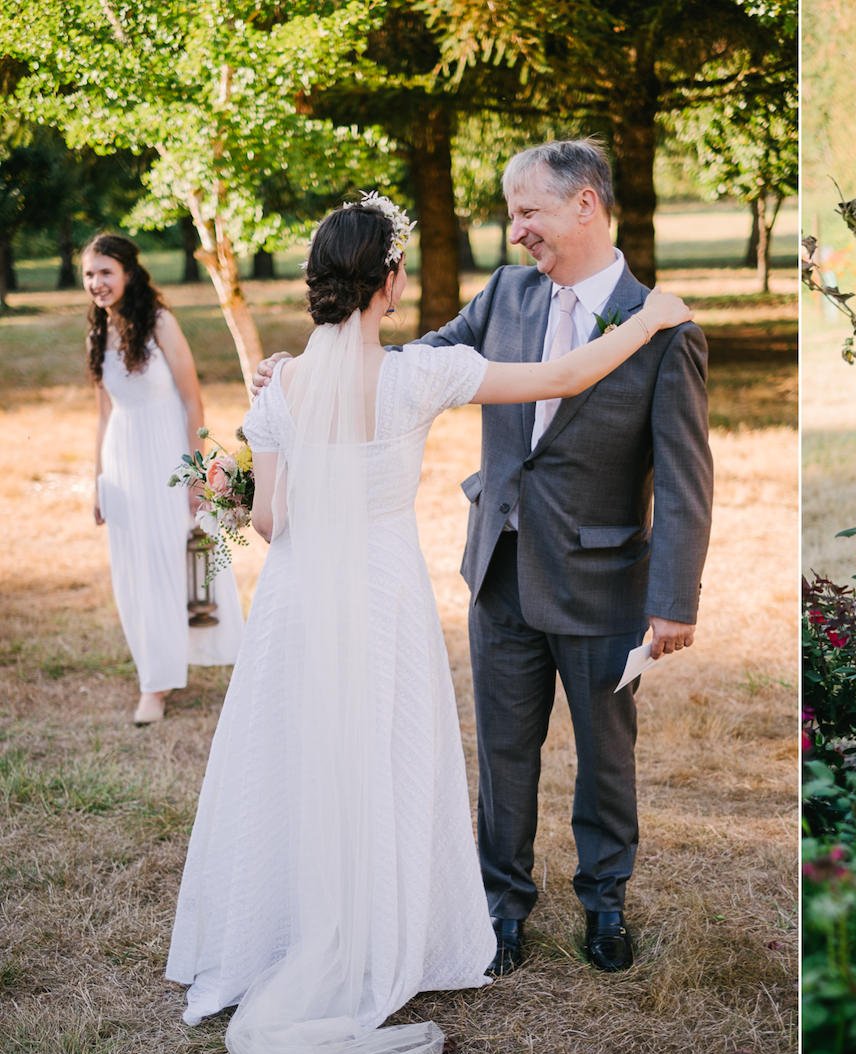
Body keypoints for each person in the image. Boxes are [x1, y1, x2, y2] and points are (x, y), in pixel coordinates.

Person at [166, 193, 693, 1054]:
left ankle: (284, 931)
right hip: (379, 595)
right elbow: (564, 378)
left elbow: (270, 521)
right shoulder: (418, 377)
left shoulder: (283, 383)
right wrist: (651, 318)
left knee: (295, 757)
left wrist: (240, 476)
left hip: (296, 600)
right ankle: (387, 929)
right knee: (386, 757)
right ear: (391, 281)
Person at [260, 140, 714, 976]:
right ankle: (500, 909)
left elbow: (687, 476)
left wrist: (674, 598)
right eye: (512, 217)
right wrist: (315, 372)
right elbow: (411, 360)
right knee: (503, 751)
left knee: (605, 756)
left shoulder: (664, 323)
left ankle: (604, 903)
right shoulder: (503, 294)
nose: (516, 234)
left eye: (527, 213)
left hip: (604, 581)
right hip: (499, 569)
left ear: (586, 204)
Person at [84, 233, 243, 725]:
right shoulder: (98, 330)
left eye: (105, 272)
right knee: (136, 572)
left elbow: (194, 400)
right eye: (89, 274)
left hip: (170, 461)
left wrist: (197, 475)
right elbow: (104, 411)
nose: (97, 283)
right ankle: (155, 681)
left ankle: (235, 660)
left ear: (128, 272)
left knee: (186, 560)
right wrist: (97, 479)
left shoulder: (160, 322)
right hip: (124, 464)